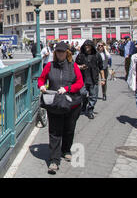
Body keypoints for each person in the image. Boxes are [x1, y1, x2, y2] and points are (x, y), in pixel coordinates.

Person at [38, 42, 84, 175]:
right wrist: (41, 86)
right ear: (55, 53)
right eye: (58, 52)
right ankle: (54, 160)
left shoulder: (73, 66)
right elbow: (41, 79)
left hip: (72, 104)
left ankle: (66, 150)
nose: (60, 54)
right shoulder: (49, 66)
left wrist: (68, 88)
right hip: (55, 104)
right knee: (54, 132)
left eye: (62, 52)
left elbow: (80, 83)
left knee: (69, 130)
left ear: (67, 53)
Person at [75, 40, 105, 119]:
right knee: (82, 93)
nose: (86, 47)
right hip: (83, 79)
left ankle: (90, 109)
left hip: (93, 79)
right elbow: (75, 66)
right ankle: (84, 103)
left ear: (91, 46)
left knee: (93, 96)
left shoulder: (97, 55)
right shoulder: (81, 55)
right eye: (85, 45)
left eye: (88, 45)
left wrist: (103, 79)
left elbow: (101, 68)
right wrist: (80, 67)